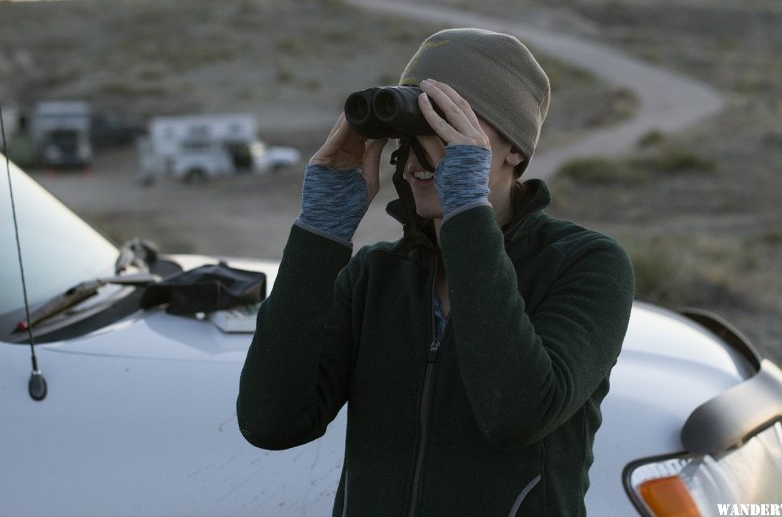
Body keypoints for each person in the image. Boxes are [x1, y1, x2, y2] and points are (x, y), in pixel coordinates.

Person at [237, 28, 635, 517]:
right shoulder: (374, 276)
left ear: (512, 149)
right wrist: (321, 233)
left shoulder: (585, 264)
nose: (416, 158)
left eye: (444, 125)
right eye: (409, 133)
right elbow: (271, 421)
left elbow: (517, 412)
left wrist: (466, 212)